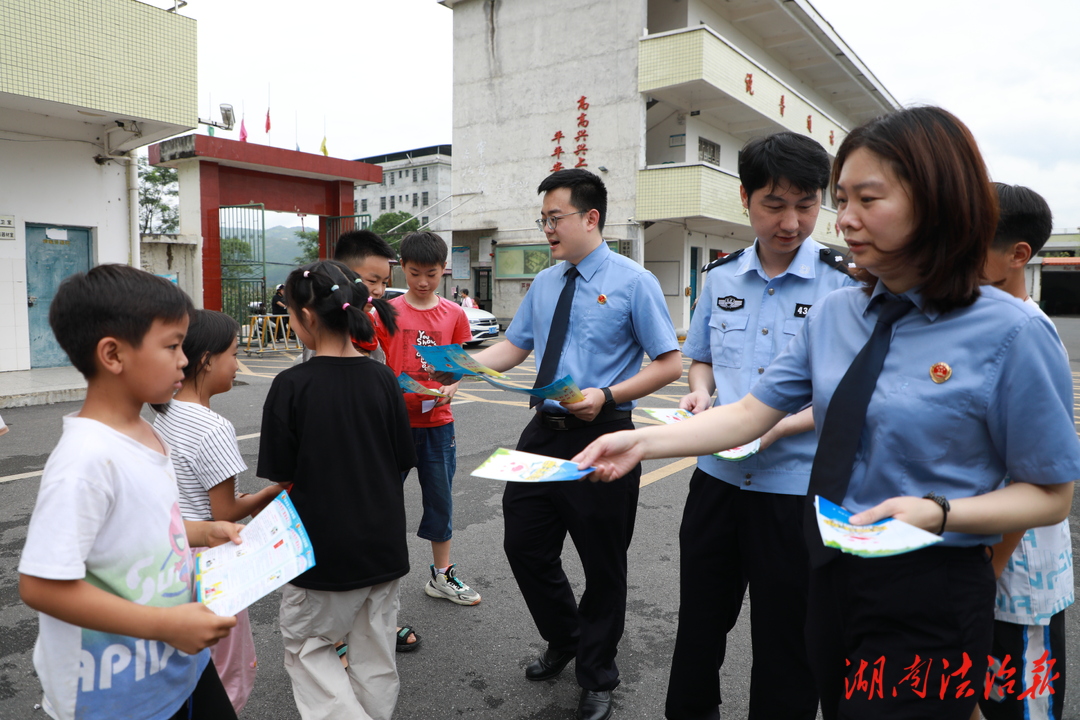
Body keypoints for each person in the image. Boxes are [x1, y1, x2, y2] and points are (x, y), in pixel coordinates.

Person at [573, 107, 1078, 720]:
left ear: (939, 201)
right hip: (831, 563)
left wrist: (939, 513)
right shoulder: (841, 314)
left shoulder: (1011, 329)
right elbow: (751, 413)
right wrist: (641, 446)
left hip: (931, 581)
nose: (846, 220)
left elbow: (1050, 494)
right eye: (842, 200)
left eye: (868, 198)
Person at [468, 168, 682, 720]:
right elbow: (513, 348)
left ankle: (597, 675)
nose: (547, 230)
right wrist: (456, 368)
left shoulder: (634, 282)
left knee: (602, 562)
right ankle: (566, 637)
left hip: (605, 432)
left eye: (554, 218)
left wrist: (607, 394)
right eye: (543, 220)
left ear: (591, 218)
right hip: (543, 432)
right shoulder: (546, 283)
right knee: (524, 545)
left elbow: (668, 363)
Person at [669, 132, 856, 720]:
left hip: (795, 493)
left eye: (806, 204)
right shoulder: (721, 276)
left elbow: (850, 395)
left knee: (788, 641)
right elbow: (699, 356)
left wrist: (773, 429)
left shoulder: (845, 282)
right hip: (716, 482)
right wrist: (701, 394)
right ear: (745, 199)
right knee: (699, 625)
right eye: (775, 204)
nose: (792, 221)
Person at [18, 264, 243, 720]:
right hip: (115, 693)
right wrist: (164, 624)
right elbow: (40, 585)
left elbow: (148, 528)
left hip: (175, 665)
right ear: (113, 355)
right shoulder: (85, 460)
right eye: (173, 345)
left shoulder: (146, 430)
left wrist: (204, 532)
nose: (184, 359)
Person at [257, 260, 415, 720]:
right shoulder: (383, 379)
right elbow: (403, 459)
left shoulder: (291, 385)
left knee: (310, 650)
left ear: (306, 316)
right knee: (376, 657)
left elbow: (283, 476)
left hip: (320, 552)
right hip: (382, 547)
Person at [151, 309, 281, 713]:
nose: (237, 365)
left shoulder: (163, 412)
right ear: (205, 359)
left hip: (171, 555)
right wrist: (277, 491)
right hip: (209, 561)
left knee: (185, 671)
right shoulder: (212, 427)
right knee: (226, 672)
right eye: (233, 354)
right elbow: (225, 511)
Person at [977, 183, 1072, 720]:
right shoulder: (983, 320)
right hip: (982, 568)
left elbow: (1038, 477)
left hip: (1017, 577)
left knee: (1022, 707)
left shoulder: (1031, 332)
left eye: (971, 243)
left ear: (1018, 255)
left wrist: (991, 564)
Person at [333, 229, 421, 653]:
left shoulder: (374, 317)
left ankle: (380, 622)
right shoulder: (325, 327)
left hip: (378, 449)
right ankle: (340, 633)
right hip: (344, 456)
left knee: (376, 540)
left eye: (384, 282)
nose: (379, 290)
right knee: (344, 542)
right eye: (371, 281)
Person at [382, 231, 482, 606]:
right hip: (394, 425)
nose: (422, 282)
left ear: (445, 270)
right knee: (382, 501)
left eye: (431, 274)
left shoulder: (454, 314)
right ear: (401, 270)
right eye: (413, 273)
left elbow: (458, 367)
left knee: (440, 500)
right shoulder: (387, 313)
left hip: (438, 423)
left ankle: (442, 575)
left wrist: (452, 386)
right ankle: (380, 577)